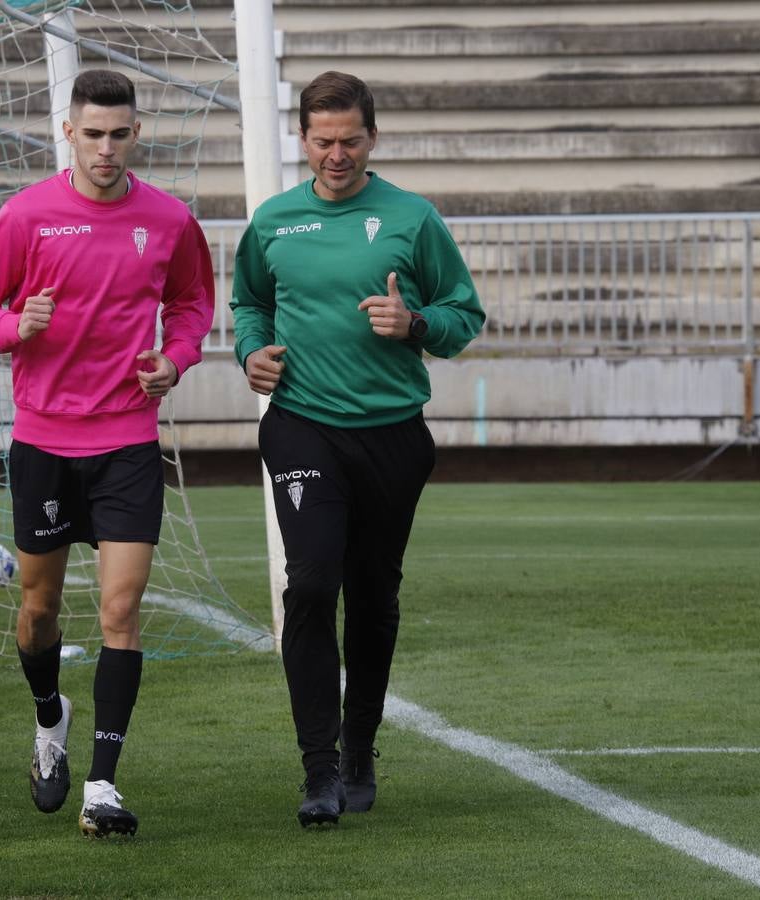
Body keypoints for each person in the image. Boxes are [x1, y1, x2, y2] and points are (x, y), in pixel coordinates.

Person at [0, 68, 215, 837]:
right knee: (39, 610)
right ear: (67, 132)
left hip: (129, 437)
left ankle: (102, 787)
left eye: (120, 133)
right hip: (44, 440)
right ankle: (48, 718)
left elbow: (192, 303)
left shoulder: (167, 219)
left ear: (139, 132)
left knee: (121, 610)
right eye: (92, 133)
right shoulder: (28, 215)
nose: (106, 148)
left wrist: (178, 358)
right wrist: (14, 328)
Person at [230, 71, 485, 827]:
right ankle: (317, 773)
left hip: (393, 435)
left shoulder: (411, 217)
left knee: (372, 598)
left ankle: (359, 751)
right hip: (302, 424)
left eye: (349, 140)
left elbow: (464, 315)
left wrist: (416, 326)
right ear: (302, 140)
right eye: (321, 141)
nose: (335, 154)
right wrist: (251, 352)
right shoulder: (275, 220)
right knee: (310, 584)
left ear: (372, 137)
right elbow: (249, 300)